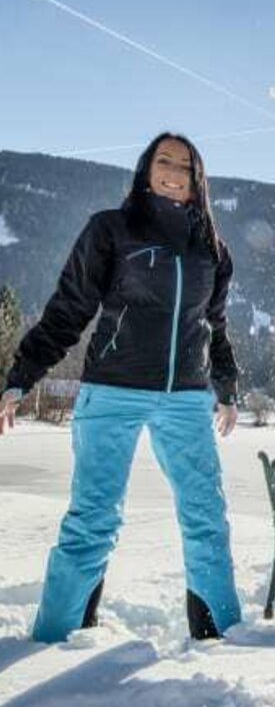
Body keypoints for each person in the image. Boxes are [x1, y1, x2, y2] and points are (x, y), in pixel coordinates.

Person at [0, 133, 242, 642]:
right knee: (93, 520)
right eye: (164, 160)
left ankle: (221, 637)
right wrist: (21, 376)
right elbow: (69, 309)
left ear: (199, 180)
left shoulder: (212, 252)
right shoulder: (111, 230)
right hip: (112, 392)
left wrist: (227, 386)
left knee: (207, 519)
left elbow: (213, 325)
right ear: (145, 169)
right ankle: (57, 637)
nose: (174, 171)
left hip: (187, 399)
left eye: (186, 165)